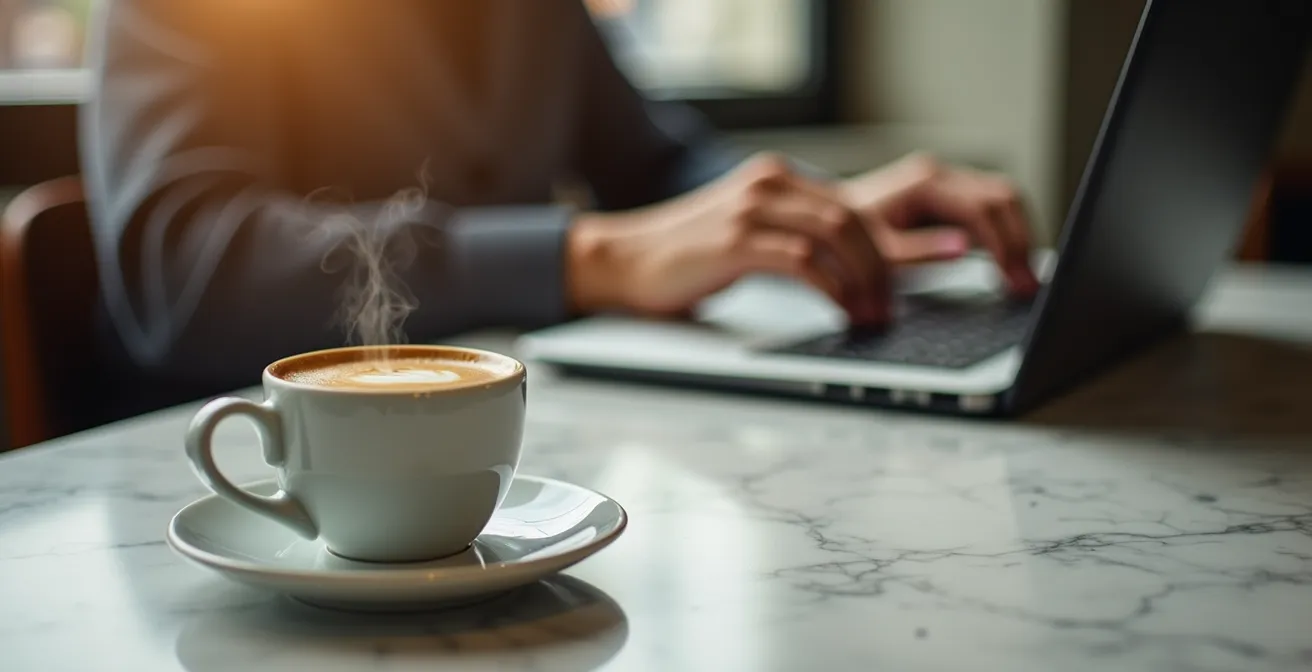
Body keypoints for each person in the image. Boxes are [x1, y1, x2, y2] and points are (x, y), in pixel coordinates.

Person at [82, 0, 1040, 393]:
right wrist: (594, 256)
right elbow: (184, 269)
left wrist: (822, 214)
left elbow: (658, 164)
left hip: (513, 480)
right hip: (255, 503)